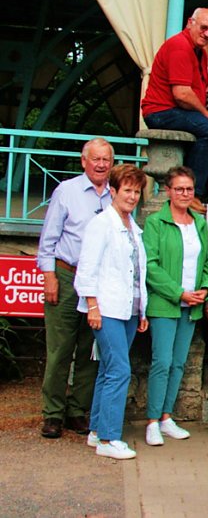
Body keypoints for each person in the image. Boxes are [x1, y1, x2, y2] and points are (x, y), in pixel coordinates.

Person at [38, 138, 114, 440]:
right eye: (95, 159)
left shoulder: (115, 194)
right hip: (67, 276)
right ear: (84, 161)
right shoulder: (67, 191)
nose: (100, 164)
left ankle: (77, 411)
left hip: (98, 283)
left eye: (106, 159)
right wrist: (49, 277)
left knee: (89, 350)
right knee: (59, 350)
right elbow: (48, 239)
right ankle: (53, 414)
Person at [75, 164, 148, 460]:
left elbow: (137, 272)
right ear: (114, 191)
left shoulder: (132, 225)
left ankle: (95, 431)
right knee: (120, 370)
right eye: (127, 190)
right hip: (105, 309)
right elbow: (87, 269)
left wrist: (142, 310)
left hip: (128, 309)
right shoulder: (101, 224)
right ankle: (109, 438)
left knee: (107, 370)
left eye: (136, 191)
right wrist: (92, 306)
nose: (132, 196)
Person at [143, 166, 208, 447]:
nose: (185, 194)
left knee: (179, 363)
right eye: (179, 189)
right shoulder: (155, 223)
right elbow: (150, 265)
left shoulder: (199, 222)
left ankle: (167, 417)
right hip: (165, 303)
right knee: (161, 362)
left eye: (189, 189)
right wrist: (179, 293)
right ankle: (151, 421)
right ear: (168, 191)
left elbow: (206, 261)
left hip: (191, 304)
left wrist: (205, 289)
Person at [141, 7, 208, 207]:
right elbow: (182, 94)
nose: (207, 34)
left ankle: (187, 187)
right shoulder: (180, 46)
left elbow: (196, 94)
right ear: (190, 23)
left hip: (176, 111)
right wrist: (207, 116)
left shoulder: (200, 52)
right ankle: (194, 193)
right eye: (204, 28)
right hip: (161, 111)